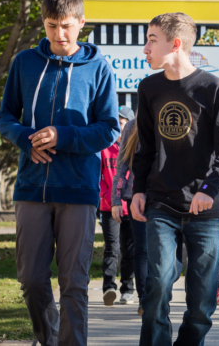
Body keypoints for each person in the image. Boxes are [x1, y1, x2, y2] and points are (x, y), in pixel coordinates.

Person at [0, 0, 120, 346]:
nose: (59, 35)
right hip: (31, 187)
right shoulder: (24, 63)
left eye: (66, 26)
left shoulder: (99, 68)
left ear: (81, 23)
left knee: (74, 283)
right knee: (32, 280)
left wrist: (62, 136)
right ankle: (48, 338)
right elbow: (5, 116)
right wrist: (23, 138)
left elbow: (109, 128)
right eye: (51, 26)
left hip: (79, 190)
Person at [131, 12, 219, 346]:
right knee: (159, 283)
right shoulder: (149, 88)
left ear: (175, 44)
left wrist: (208, 189)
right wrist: (137, 190)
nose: (145, 48)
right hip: (161, 202)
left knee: (203, 302)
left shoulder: (212, 88)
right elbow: (145, 147)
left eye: (152, 40)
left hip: (204, 210)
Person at [111, 107, 148, 315]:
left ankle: (155, 295)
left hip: (167, 198)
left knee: (165, 255)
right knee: (141, 250)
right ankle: (145, 300)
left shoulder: (169, 121)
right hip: (137, 197)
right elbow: (121, 166)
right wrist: (116, 201)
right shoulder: (132, 127)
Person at [100, 106, 137, 307]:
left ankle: (127, 289)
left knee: (129, 250)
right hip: (108, 208)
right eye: (118, 123)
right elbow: (100, 179)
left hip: (131, 207)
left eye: (124, 124)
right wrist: (108, 198)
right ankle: (109, 288)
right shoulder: (105, 148)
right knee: (111, 248)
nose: (120, 128)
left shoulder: (136, 149)